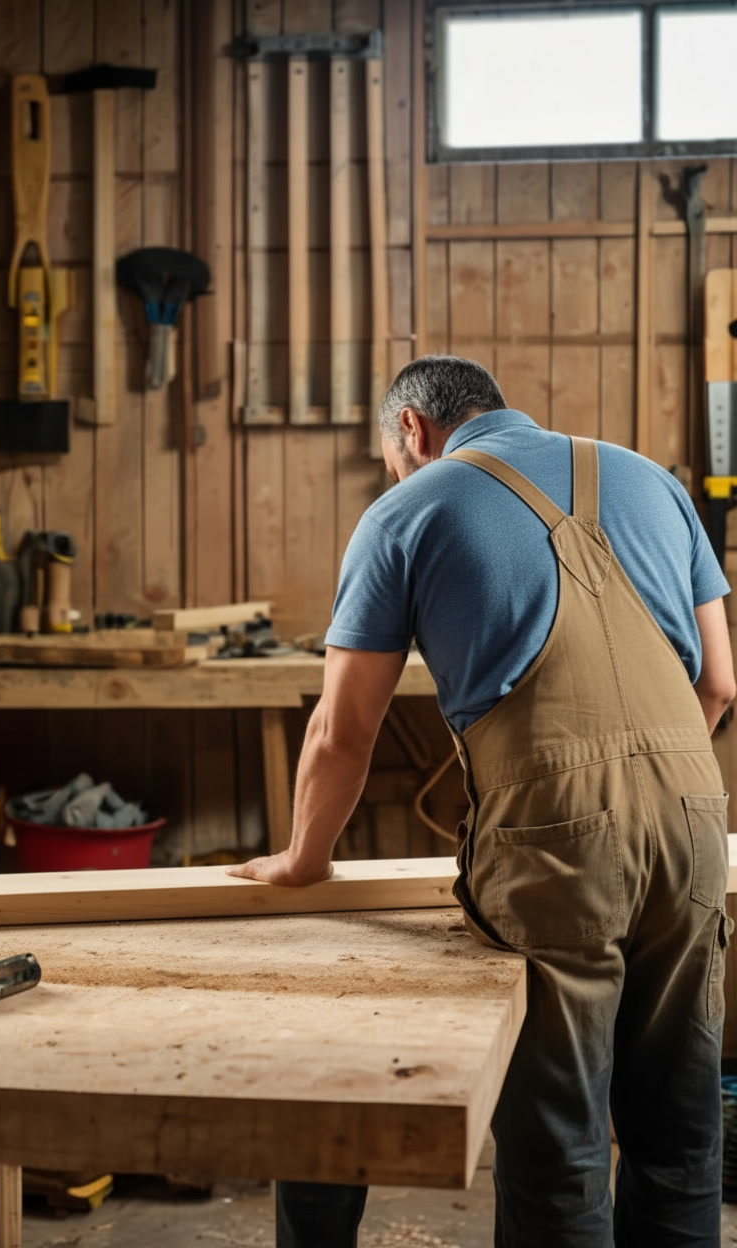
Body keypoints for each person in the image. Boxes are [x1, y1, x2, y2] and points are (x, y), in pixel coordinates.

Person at [228, 355, 736, 1247]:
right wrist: (653, 777)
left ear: (412, 432)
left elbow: (343, 733)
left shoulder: (406, 511)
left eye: (391, 456)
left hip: (557, 839)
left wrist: (304, 859)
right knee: (680, 1140)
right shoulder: (653, 479)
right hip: (699, 815)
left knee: (561, 1151)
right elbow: (721, 683)